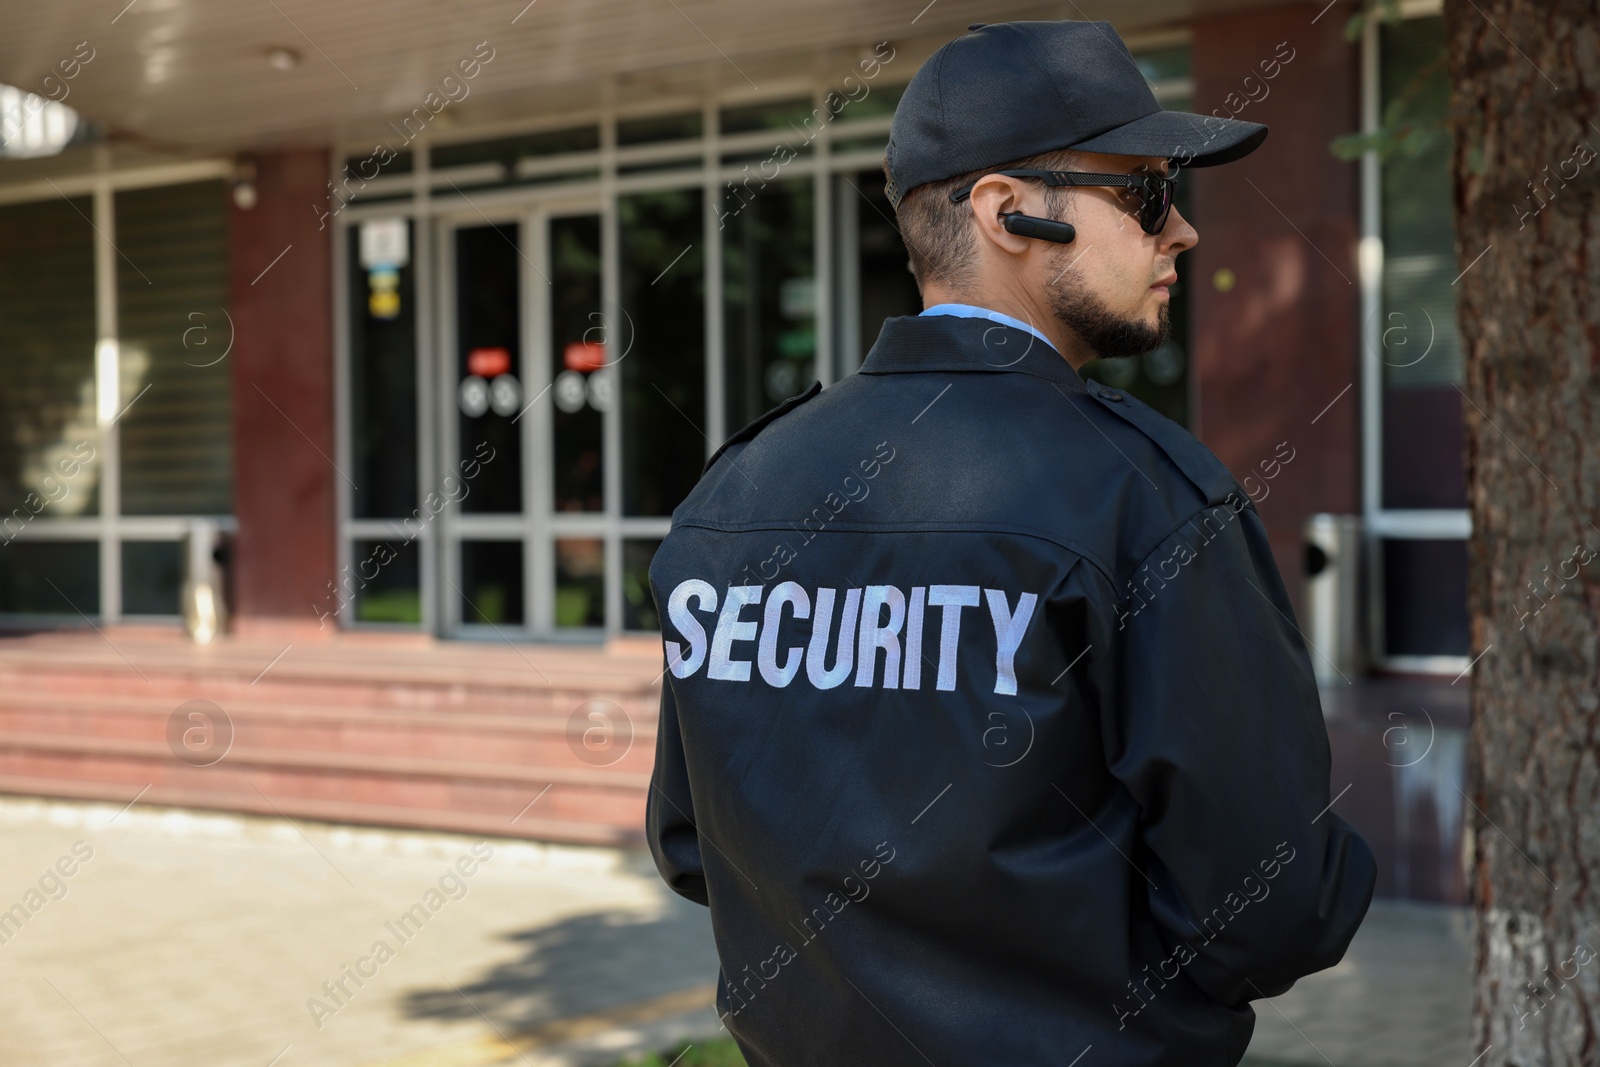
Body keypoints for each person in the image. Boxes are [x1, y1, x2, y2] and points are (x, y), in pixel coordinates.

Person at [645, 18, 1375, 1067]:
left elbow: (690, 844)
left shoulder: (732, 492)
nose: (1181, 232)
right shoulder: (1144, 493)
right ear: (1007, 210)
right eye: (1145, 190)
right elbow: (1272, 903)